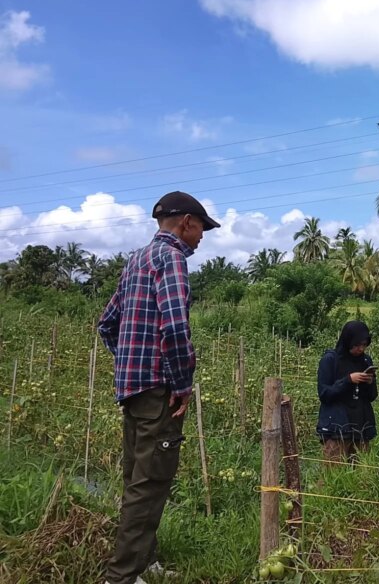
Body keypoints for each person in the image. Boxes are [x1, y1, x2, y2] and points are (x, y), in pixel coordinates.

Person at [98, 191, 220, 584]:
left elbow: (107, 323)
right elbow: (175, 327)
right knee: (150, 483)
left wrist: (129, 360)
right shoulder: (172, 258)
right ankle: (122, 576)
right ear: (186, 222)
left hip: (132, 389)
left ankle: (144, 560)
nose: (201, 237)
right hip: (157, 391)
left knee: (137, 478)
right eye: (201, 229)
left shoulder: (136, 259)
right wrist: (181, 383)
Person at [316, 320, 378, 463]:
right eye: (357, 345)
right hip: (337, 426)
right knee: (333, 470)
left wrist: (369, 382)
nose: (360, 349)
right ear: (348, 341)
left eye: (364, 345)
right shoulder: (330, 360)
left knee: (361, 470)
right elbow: (324, 394)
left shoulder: (366, 361)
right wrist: (348, 380)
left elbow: (372, 396)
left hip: (361, 426)